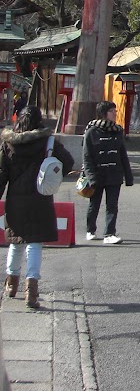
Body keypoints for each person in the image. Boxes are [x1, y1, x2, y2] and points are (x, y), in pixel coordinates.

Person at [0, 104, 75, 308]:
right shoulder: (48, 141)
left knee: (16, 242)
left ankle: (10, 285)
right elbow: (68, 162)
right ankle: (31, 292)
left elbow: (1, 174)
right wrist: (52, 173)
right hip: (40, 198)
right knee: (34, 244)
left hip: (16, 199)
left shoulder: (8, 144)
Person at [82, 100, 134, 244]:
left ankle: (109, 233)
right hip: (97, 175)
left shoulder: (117, 131)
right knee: (94, 204)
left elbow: (122, 154)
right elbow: (87, 157)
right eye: (112, 111)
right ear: (104, 114)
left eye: (115, 111)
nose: (115, 114)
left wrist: (128, 176)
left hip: (114, 174)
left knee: (112, 206)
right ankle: (90, 230)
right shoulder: (91, 131)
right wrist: (91, 177)